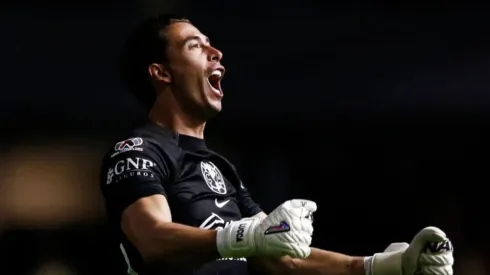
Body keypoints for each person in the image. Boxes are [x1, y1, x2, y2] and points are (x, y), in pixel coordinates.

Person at [99, 14, 454, 275]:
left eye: (210, 42)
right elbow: (152, 239)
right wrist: (245, 235)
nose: (216, 52)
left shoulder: (221, 169)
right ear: (161, 72)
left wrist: (387, 265)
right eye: (195, 45)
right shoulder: (136, 151)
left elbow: (282, 257)